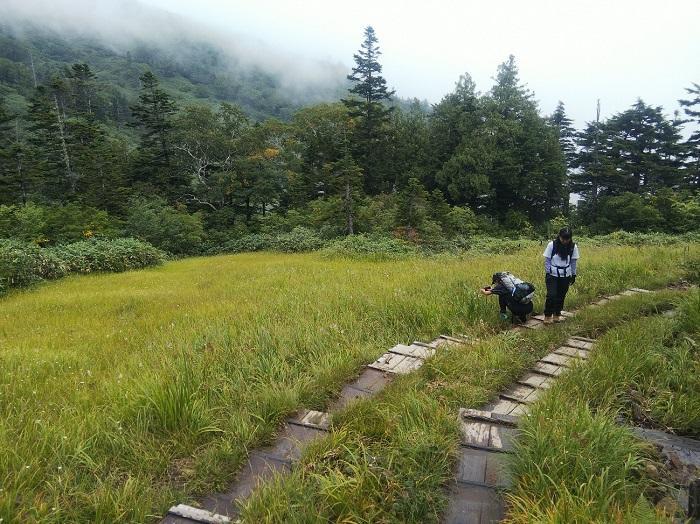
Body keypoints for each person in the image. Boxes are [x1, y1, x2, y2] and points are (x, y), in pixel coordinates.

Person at [543, 227, 580, 324]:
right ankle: (547, 315)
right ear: (559, 236)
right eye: (563, 239)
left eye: (567, 239)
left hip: (565, 275)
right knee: (551, 295)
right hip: (552, 274)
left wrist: (573, 275)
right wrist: (548, 272)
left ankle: (557, 314)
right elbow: (547, 260)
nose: (565, 241)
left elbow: (573, 262)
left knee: (561, 295)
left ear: (570, 238)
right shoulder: (552, 245)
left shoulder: (573, 247)